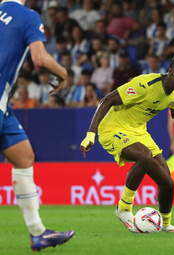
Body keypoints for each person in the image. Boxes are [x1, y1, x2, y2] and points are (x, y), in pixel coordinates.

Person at [80, 53, 174, 233]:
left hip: (139, 131)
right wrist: (90, 134)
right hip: (113, 129)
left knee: (167, 183)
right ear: (170, 72)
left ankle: (165, 224)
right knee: (144, 156)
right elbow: (106, 100)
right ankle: (123, 209)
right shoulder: (144, 84)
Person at [0, 0, 74, 250]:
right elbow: (39, 58)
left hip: (4, 106)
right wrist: (63, 72)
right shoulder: (28, 16)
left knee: (23, 156)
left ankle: (38, 233)